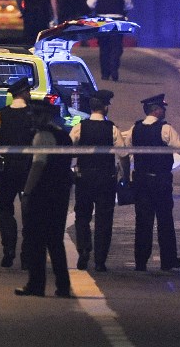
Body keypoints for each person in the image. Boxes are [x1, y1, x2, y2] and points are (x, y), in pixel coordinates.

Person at [124, 94, 180, 272]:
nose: (164, 111)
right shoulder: (165, 129)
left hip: (140, 181)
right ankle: (168, 260)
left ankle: (141, 262)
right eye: (162, 108)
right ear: (156, 110)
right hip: (160, 181)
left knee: (142, 222)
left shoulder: (135, 128)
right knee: (165, 221)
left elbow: (123, 149)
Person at [15, 100, 74, 297]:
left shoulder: (41, 136)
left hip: (42, 195)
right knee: (55, 242)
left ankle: (36, 284)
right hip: (60, 194)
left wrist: (27, 192)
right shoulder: (65, 137)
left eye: (35, 114)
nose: (32, 117)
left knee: (35, 241)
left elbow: (38, 166)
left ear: (45, 116)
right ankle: (63, 286)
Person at [70, 89, 130, 272]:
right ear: (105, 108)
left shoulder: (80, 127)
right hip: (106, 178)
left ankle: (84, 249)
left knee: (82, 216)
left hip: (84, 177)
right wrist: (126, 177)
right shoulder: (112, 128)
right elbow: (124, 155)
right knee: (104, 220)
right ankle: (100, 260)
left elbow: (66, 147)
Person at [0, 77, 35, 268]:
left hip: (8, 168)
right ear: (22, 93)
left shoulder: (1, 115)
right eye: (28, 91)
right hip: (30, 169)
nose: (30, 94)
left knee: (5, 209)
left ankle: (9, 248)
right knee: (30, 212)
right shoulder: (34, 115)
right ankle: (27, 255)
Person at [86, 0, 134, 81]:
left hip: (102, 21)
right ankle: (114, 69)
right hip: (117, 20)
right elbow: (129, 5)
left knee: (104, 47)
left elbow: (90, 4)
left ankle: (105, 73)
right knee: (116, 47)